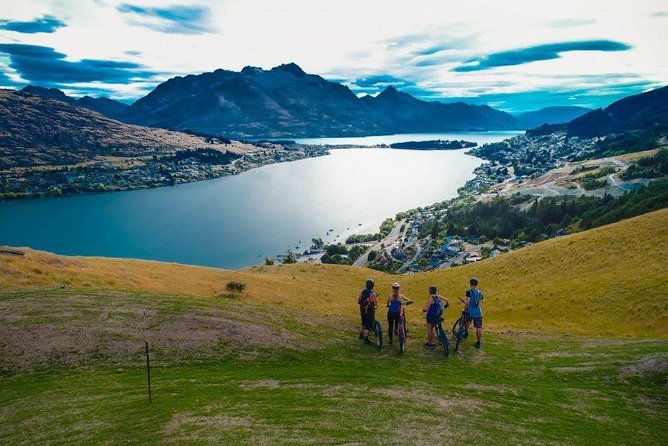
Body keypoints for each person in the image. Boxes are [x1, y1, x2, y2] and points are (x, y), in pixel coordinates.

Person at [464, 277, 484, 348]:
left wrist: (465, 309)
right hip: (478, 312)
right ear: (476, 284)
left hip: (470, 312)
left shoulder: (469, 292)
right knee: (478, 328)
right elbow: (480, 300)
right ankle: (478, 342)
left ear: (470, 284)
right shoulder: (480, 292)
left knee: (467, 321)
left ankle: (466, 332)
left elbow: (467, 302)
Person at [358, 279, 378, 344]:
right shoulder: (372, 293)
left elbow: (359, 301)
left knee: (363, 323)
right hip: (369, 311)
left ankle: (361, 335)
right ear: (373, 286)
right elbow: (375, 303)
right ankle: (366, 339)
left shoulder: (362, 291)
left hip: (362, 310)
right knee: (368, 325)